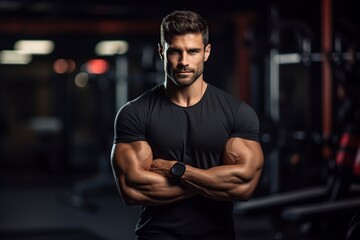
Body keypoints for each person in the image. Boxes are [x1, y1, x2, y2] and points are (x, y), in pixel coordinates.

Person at [110, 10, 264, 240]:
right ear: (162, 52)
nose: (184, 62)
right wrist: (213, 183)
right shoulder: (134, 113)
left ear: (206, 52)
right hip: (156, 235)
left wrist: (177, 170)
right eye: (175, 51)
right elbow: (132, 190)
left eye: (193, 51)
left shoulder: (237, 112)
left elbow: (244, 187)